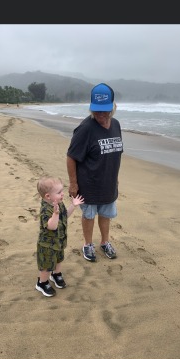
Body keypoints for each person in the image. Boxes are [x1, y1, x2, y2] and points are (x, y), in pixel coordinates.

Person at [67, 83, 123, 262]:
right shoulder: (85, 129)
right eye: (97, 110)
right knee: (89, 215)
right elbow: (71, 157)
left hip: (108, 183)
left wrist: (116, 178)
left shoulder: (116, 125)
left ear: (113, 107)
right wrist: (74, 183)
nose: (100, 114)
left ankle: (105, 242)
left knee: (106, 214)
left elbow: (115, 154)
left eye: (104, 110)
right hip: (88, 184)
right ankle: (88, 244)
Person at [35, 176, 84, 297]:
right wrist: (55, 214)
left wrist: (73, 205)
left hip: (59, 240)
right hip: (47, 244)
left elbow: (65, 216)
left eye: (62, 191)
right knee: (46, 265)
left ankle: (56, 274)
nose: (62, 194)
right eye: (59, 192)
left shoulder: (59, 203)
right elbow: (51, 226)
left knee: (58, 259)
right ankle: (42, 283)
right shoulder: (46, 210)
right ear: (48, 196)